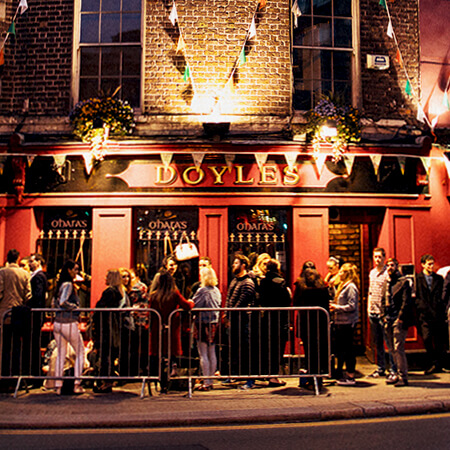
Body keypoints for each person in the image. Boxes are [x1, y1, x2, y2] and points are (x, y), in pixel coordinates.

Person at [148, 269, 194, 393]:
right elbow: (187, 305)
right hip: (171, 328)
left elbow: (150, 313)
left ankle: (161, 382)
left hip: (157, 329)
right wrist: (191, 302)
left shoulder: (153, 295)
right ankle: (168, 380)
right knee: (170, 355)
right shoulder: (174, 293)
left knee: (160, 356)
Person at [293, 267, 330, 390]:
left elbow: (296, 303)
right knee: (319, 351)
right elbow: (327, 305)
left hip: (306, 323)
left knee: (309, 352)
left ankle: (311, 379)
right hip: (321, 323)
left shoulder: (302, 289)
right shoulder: (323, 289)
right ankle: (318, 379)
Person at [0, 249, 32, 390]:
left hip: (4, 314)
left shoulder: (2, 272)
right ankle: (15, 379)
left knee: (4, 347)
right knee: (16, 347)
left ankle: (4, 378)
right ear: (18, 258)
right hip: (19, 314)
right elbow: (28, 295)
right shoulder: (25, 274)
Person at [53, 260, 85, 395]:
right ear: (69, 270)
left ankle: (58, 385)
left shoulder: (59, 284)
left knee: (61, 353)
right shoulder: (68, 285)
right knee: (80, 352)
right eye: (75, 269)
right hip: (68, 322)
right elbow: (63, 302)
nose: (76, 272)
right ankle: (77, 384)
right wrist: (76, 308)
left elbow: (56, 303)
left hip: (57, 322)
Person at [225, 254, 256, 390]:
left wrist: (230, 314)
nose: (233, 265)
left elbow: (242, 301)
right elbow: (229, 298)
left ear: (243, 265)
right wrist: (227, 314)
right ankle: (235, 374)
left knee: (246, 349)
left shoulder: (248, 282)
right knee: (235, 348)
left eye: (236, 263)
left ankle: (250, 379)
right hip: (234, 319)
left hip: (244, 320)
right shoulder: (235, 281)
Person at [92, 269, 126, 393]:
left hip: (106, 326)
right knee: (110, 354)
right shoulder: (119, 292)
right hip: (113, 326)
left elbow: (99, 308)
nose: (105, 278)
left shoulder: (109, 292)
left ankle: (106, 382)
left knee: (105, 354)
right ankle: (108, 381)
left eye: (107, 276)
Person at [381, 258, 414, 387]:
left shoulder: (403, 282)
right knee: (391, 348)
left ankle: (403, 376)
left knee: (398, 347)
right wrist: (383, 315)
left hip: (398, 319)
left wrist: (400, 318)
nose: (390, 267)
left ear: (397, 266)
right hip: (388, 318)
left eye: (392, 265)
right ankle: (395, 372)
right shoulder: (386, 283)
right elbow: (383, 300)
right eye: (388, 265)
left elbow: (406, 302)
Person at [259, 259, 291, 387]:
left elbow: (261, 298)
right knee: (278, 348)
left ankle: (268, 374)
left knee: (268, 347)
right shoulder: (280, 282)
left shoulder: (263, 282)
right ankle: (274, 376)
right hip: (280, 318)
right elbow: (286, 300)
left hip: (267, 318)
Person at [415, 254, 446, 374]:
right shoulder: (418, 278)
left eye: (432, 263)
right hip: (424, 315)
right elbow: (417, 296)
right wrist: (421, 307)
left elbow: (441, 295)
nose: (431, 266)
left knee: (438, 340)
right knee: (427, 338)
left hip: (437, 314)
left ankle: (437, 364)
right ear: (423, 264)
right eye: (429, 264)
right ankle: (432, 361)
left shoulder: (438, 279)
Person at [329, 263, 359, 386]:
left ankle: (351, 375)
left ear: (347, 274)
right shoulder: (343, 285)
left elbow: (352, 306)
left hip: (347, 322)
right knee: (341, 349)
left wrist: (336, 307)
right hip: (340, 322)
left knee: (348, 349)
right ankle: (341, 373)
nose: (339, 274)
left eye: (341, 272)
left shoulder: (351, 287)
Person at [367, 248, 395, 378]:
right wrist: (368, 308)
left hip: (383, 312)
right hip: (372, 311)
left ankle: (393, 369)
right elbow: (370, 291)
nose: (377, 259)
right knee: (377, 342)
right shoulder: (372, 273)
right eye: (375, 257)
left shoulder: (387, 273)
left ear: (384, 258)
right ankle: (381, 368)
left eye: (379, 257)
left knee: (388, 342)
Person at [192, 267, 221, 390]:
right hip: (213, 322)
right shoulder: (216, 290)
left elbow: (194, 304)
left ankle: (206, 381)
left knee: (203, 353)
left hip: (202, 323)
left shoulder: (202, 291)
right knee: (212, 352)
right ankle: (210, 380)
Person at [120, 268, 149, 376]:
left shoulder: (137, 288)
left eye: (130, 277)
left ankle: (135, 369)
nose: (128, 279)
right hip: (139, 320)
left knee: (135, 346)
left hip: (138, 320)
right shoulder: (138, 287)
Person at [27, 253, 48, 381]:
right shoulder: (39, 276)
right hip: (37, 314)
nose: (30, 264)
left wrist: (29, 305)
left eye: (32, 261)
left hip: (35, 314)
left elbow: (38, 296)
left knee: (34, 343)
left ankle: (35, 373)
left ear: (38, 262)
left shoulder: (38, 277)